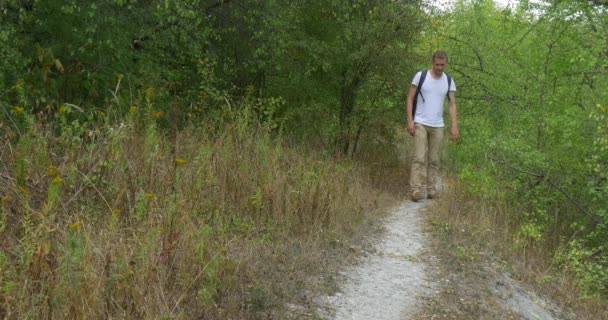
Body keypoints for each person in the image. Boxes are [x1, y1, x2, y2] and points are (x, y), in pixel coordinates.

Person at [406, 50, 459, 202]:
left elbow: (452, 104)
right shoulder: (421, 76)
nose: (440, 68)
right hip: (420, 122)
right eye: (437, 64)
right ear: (432, 62)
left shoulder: (449, 80)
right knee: (419, 157)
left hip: (438, 125)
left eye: (442, 65)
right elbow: (409, 98)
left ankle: (431, 190)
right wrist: (410, 121)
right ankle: (415, 190)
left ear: (446, 64)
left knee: (434, 159)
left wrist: (454, 125)